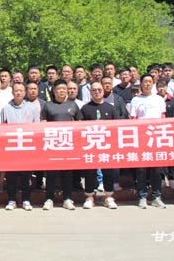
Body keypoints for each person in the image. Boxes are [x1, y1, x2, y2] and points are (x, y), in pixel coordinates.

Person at [41, 79, 83, 210]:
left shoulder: (73, 105)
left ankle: (67, 198)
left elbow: (79, 124)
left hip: (68, 144)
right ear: (54, 91)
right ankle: (49, 198)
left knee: (67, 173)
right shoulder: (48, 106)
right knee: (51, 173)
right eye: (59, 89)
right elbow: (43, 123)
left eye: (64, 89)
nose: (62, 91)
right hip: (52, 143)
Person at [130, 73, 167, 209]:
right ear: (141, 83)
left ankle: (157, 196)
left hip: (156, 138)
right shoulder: (135, 100)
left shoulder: (159, 99)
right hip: (141, 139)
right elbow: (133, 119)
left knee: (157, 170)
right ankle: (142, 196)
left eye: (150, 82)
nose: (147, 84)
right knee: (141, 170)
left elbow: (163, 117)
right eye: (145, 81)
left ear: (153, 84)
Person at [80, 81, 119, 210]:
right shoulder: (85, 108)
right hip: (90, 145)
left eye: (99, 90)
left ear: (103, 91)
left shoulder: (110, 108)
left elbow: (117, 126)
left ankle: (108, 196)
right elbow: (79, 127)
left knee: (108, 172)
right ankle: (90, 196)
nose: (97, 92)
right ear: (90, 92)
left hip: (107, 145)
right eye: (94, 90)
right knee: (90, 172)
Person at [1, 82, 40, 211]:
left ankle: (26, 200)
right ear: (12, 92)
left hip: (27, 146)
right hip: (11, 146)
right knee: (11, 175)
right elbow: (2, 127)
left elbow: (37, 127)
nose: (18, 93)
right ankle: (11, 199)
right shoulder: (6, 108)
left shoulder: (32, 108)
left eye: (21, 90)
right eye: (16, 90)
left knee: (26, 176)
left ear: (25, 92)